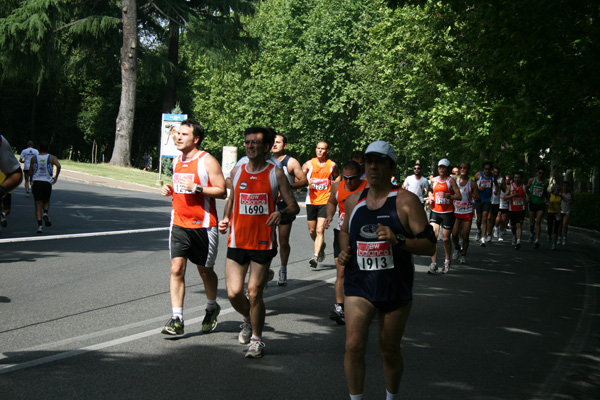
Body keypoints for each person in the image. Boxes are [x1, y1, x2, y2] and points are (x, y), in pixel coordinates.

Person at [337, 140, 436, 400]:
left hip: (394, 285)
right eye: (369, 161)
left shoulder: (406, 201)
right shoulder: (352, 201)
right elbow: (346, 230)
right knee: (353, 344)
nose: (372, 167)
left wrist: (399, 240)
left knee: (388, 350)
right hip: (359, 284)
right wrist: (345, 251)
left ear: (391, 167)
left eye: (379, 162)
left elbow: (429, 245)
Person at [219, 126, 299, 359]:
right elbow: (232, 199)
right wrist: (225, 218)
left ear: (266, 147)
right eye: (247, 142)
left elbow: (292, 205)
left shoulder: (276, 174)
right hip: (237, 241)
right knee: (234, 294)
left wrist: (281, 214)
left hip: (263, 243)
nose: (250, 146)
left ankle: (256, 340)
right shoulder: (238, 172)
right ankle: (248, 319)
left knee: (254, 293)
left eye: (255, 143)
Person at [160, 119, 226, 336]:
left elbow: (222, 191)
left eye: (184, 134)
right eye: (178, 133)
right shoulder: (177, 159)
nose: (178, 137)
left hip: (204, 226)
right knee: (176, 269)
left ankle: (211, 308)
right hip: (179, 222)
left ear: (195, 139)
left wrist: (198, 188)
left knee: (205, 271)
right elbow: (182, 187)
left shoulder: (207, 161)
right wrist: (172, 189)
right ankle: (177, 318)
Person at [324, 160, 367, 325]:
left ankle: (365, 302)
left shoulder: (367, 188)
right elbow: (331, 202)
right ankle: (339, 307)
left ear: (359, 175)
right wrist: (329, 215)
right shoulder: (337, 187)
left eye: (352, 178)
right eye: (346, 178)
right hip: (342, 233)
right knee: (341, 271)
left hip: (362, 235)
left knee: (361, 271)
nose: (348, 182)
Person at [271, 133, 308, 285]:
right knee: (266, 241)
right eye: (272, 142)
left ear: (284, 145)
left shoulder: (290, 162)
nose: (274, 145)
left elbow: (304, 181)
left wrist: (288, 187)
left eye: (278, 142)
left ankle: (283, 268)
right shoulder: (264, 160)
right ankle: (264, 271)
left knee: (283, 241)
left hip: (284, 205)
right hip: (267, 205)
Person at [302, 141, 340, 268]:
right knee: (312, 230)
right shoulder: (309, 164)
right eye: (318, 148)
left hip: (325, 201)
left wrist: (335, 184)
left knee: (319, 230)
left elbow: (338, 176)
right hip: (311, 201)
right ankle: (321, 246)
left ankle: (315, 256)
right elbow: (298, 178)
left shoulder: (332, 165)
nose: (320, 151)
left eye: (322, 149)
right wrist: (306, 180)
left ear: (327, 151)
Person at [427, 158, 461, 274]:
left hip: (447, 212)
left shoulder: (451, 181)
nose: (441, 169)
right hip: (435, 211)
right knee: (433, 236)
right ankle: (433, 264)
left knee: (446, 239)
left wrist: (448, 196)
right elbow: (430, 191)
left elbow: (459, 196)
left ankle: (447, 261)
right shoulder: (434, 180)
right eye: (440, 167)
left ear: (447, 169)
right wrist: (431, 197)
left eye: (444, 167)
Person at [451, 162, 480, 265]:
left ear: (468, 169)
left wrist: (476, 197)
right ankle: (457, 248)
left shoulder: (472, 183)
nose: (463, 169)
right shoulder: (455, 181)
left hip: (467, 211)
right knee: (454, 234)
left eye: (465, 168)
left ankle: (463, 255)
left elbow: (477, 196)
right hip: (456, 210)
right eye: (461, 167)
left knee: (465, 235)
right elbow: (450, 192)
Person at [30, 141, 61, 234]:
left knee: (38, 205)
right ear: (47, 148)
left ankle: (39, 226)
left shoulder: (34, 158)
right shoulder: (51, 157)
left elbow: (31, 171)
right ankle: (45, 213)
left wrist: (31, 180)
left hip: (37, 182)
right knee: (46, 200)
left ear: (38, 148)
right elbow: (58, 165)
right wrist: (56, 176)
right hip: (47, 182)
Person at [474, 161, 497, 246]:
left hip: (487, 200)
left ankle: (483, 238)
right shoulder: (478, 175)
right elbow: (472, 184)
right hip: (479, 200)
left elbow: (497, 185)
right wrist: (478, 188)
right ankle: (478, 230)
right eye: (485, 169)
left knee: (485, 218)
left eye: (488, 169)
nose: (487, 171)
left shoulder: (492, 177)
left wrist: (496, 190)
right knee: (479, 219)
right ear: (483, 169)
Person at [527, 166, 549, 248]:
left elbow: (545, 192)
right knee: (532, 223)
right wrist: (528, 196)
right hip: (532, 203)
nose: (541, 175)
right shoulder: (532, 180)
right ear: (537, 173)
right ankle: (532, 233)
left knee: (538, 221)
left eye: (542, 173)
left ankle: (537, 240)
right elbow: (526, 188)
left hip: (541, 204)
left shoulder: (545, 182)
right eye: (540, 173)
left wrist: (547, 200)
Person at [504, 171, 526, 249]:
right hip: (512, 209)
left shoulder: (524, 187)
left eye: (518, 178)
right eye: (515, 178)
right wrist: (513, 195)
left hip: (521, 209)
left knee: (519, 225)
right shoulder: (510, 187)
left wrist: (528, 198)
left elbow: (528, 195)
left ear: (521, 179)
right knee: (513, 226)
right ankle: (514, 235)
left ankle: (519, 241)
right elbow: (505, 197)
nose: (517, 179)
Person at [546, 184, 562, 250]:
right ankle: (549, 234)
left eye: (559, 190)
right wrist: (549, 204)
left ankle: (554, 244)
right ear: (553, 190)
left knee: (556, 229)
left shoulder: (560, 197)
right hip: (550, 213)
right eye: (556, 190)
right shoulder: (550, 196)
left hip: (557, 213)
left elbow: (566, 201)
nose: (558, 191)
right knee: (550, 226)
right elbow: (546, 202)